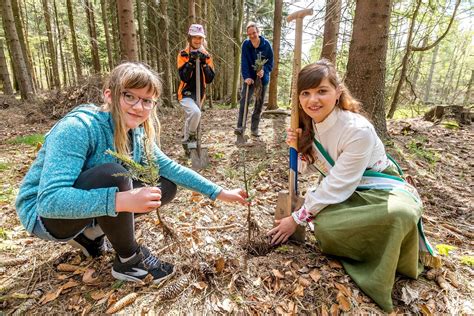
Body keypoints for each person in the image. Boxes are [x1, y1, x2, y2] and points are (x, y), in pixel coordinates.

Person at [15, 62, 247, 285]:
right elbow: (49, 202)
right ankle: (129, 261)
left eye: (147, 101)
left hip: (83, 206)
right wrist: (121, 200)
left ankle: (90, 235)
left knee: (163, 185)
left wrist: (218, 192)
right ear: (109, 95)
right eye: (129, 96)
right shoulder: (78, 128)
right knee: (113, 175)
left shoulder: (137, 134)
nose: (138, 107)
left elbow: (171, 169)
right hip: (44, 217)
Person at [267, 59, 434, 312]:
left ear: (337, 92)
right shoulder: (307, 124)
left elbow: (336, 184)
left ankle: (384, 262)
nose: (313, 100)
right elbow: (309, 169)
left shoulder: (358, 130)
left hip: (379, 189)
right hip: (347, 189)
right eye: (306, 93)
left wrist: (297, 218)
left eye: (322, 91)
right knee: (324, 226)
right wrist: (298, 149)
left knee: (401, 215)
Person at [177, 24, 215, 154]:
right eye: (195, 38)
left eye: (200, 38)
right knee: (195, 113)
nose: (197, 41)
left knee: (193, 116)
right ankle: (191, 137)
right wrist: (191, 63)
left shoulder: (207, 56)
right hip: (186, 92)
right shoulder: (183, 54)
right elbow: (184, 77)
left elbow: (210, 79)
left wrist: (204, 64)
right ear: (189, 38)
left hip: (200, 93)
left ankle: (188, 145)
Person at [234, 22, 273, 137]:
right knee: (244, 101)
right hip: (249, 79)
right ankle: (240, 127)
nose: (252, 36)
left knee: (259, 104)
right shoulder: (246, 45)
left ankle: (254, 129)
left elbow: (271, 63)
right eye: (249, 34)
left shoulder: (266, 45)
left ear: (258, 32)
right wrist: (246, 77)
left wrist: (264, 70)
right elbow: (244, 62)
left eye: (254, 33)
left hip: (262, 79)